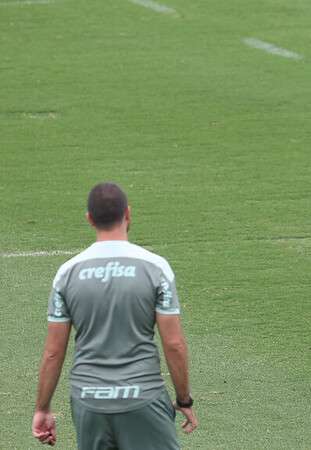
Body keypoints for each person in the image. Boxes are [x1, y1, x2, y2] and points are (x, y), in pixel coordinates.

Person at [32, 182, 198, 448]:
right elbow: (174, 344)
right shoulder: (155, 268)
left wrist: (42, 408)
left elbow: (53, 352)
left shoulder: (67, 273)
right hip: (142, 398)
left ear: (89, 219)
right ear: (128, 214)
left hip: (88, 401)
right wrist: (184, 399)